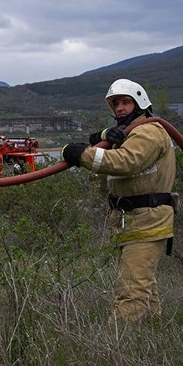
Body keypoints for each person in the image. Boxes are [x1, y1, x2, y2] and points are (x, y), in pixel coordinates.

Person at [61, 78, 176, 323]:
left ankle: (119, 345)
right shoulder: (129, 134)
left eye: (126, 102)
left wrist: (81, 154)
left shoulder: (148, 132)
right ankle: (151, 337)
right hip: (133, 221)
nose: (120, 108)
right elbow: (111, 162)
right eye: (116, 104)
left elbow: (126, 161)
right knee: (144, 288)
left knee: (131, 292)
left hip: (147, 220)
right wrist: (101, 137)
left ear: (140, 103)